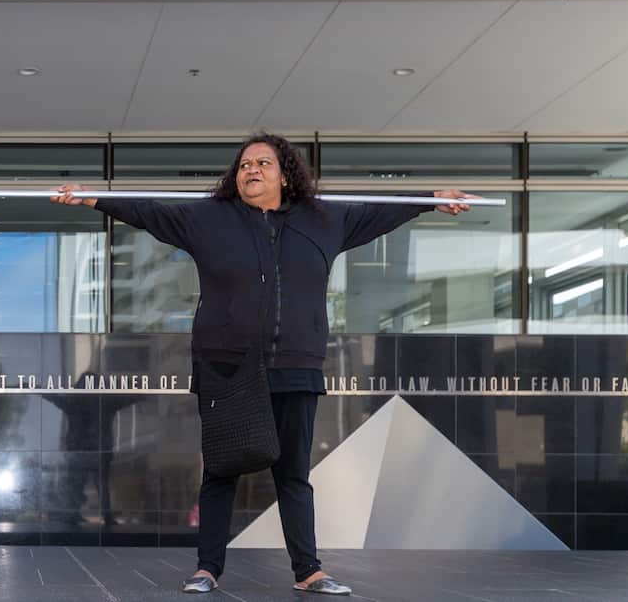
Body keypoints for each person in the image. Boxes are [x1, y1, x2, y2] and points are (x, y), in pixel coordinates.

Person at [53, 133, 475, 596]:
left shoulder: (324, 220)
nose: (251, 169)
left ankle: (308, 571)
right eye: (244, 164)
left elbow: (380, 210)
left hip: (297, 364)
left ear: (285, 173)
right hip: (227, 367)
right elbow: (150, 209)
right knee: (220, 470)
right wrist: (92, 197)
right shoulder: (208, 219)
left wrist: (431, 199)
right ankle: (207, 568)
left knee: (293, 473)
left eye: (263, 163)